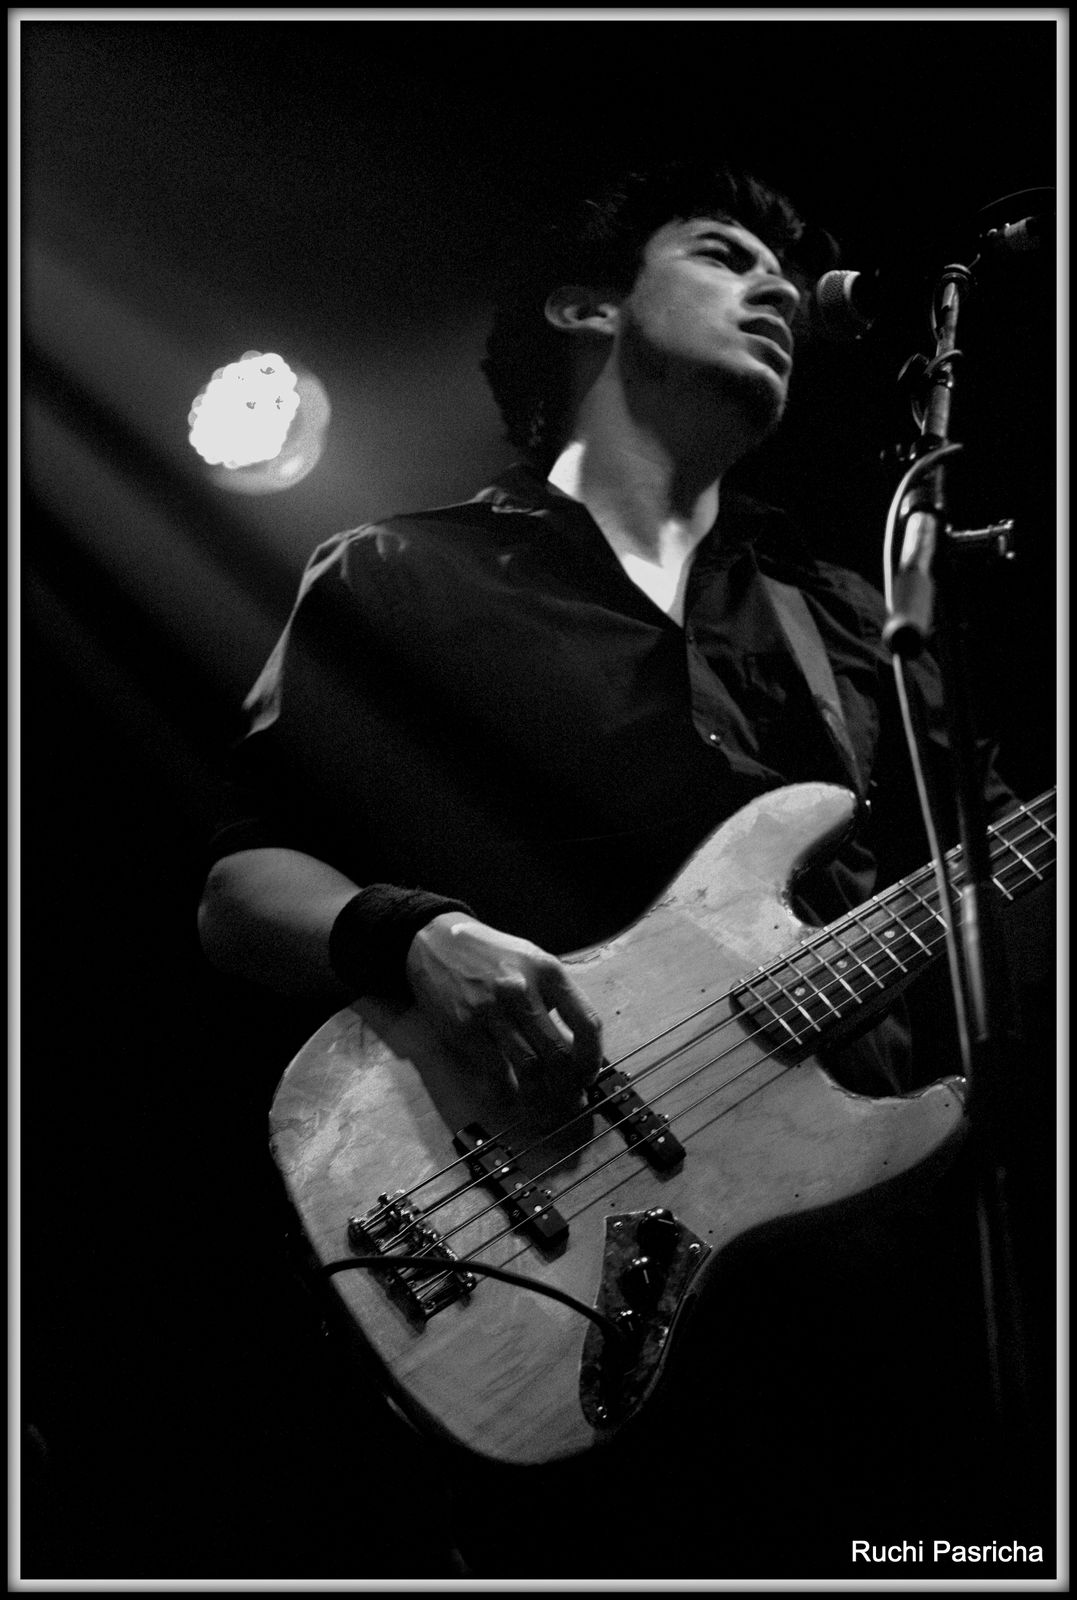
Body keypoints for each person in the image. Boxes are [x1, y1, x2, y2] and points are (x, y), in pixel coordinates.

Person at [197, 161, 1044, 1578]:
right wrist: (413, 938)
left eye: (780, 271)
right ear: (585, 306)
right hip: (536, 1265)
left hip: (876, 1301)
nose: (776, 289)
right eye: (724, 255)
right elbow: (238, 886)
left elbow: (1005, 910)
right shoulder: (404, 572)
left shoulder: (851, 621)